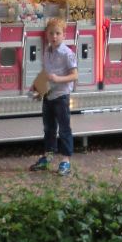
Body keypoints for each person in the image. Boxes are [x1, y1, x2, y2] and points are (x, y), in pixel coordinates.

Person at [28, 17, 78, 175]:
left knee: (64, 128)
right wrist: (37, 86)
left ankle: (65, 160)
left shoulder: (67, 53)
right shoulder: (47, 52)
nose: (54, 36)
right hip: (48, 95)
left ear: (64, 35)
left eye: (57, 33)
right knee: (49, 128)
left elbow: (74, 75)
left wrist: (59, 79)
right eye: (51, 33)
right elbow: (46, 72)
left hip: (61, 96)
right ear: (46, 35)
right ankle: (48, 157)